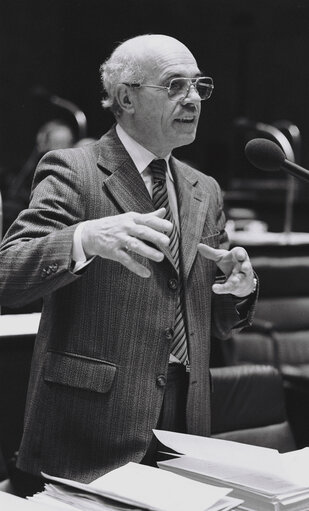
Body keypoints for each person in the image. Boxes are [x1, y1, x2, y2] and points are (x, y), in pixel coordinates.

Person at [0, 34, 257, 492]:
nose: (193, 97)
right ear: (126, 97)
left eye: (199, 85)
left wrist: (236, 289)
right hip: (90, 430)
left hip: (187, 424)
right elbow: (7, 271)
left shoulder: (204, 189)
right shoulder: (74, 171)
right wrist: (84, 238)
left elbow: (213, 324)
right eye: (175, 84)